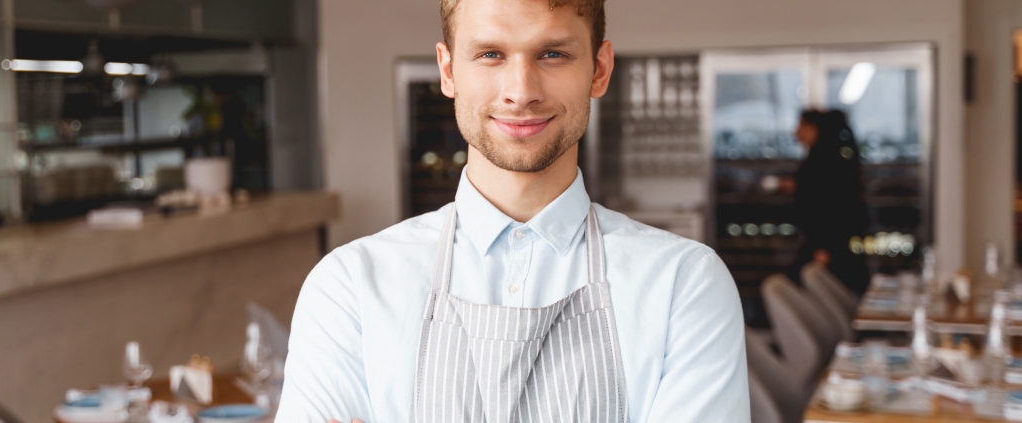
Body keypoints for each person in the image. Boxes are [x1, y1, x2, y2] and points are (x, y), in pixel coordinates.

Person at [276, 0, 749, 421]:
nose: (521, 92)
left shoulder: (685, 285)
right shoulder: (349, 287)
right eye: (490, 54)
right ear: (448, 71)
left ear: (600, 69)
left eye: (552, 54)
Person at [791, 109, 871, 296]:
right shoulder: (832, 155)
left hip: (825, 241)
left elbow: (830, 205)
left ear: (814, 128)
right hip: (829, 240)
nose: (796, 132)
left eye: (801, 125)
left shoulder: (823, 159)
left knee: (819, 290)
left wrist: (824, 246)